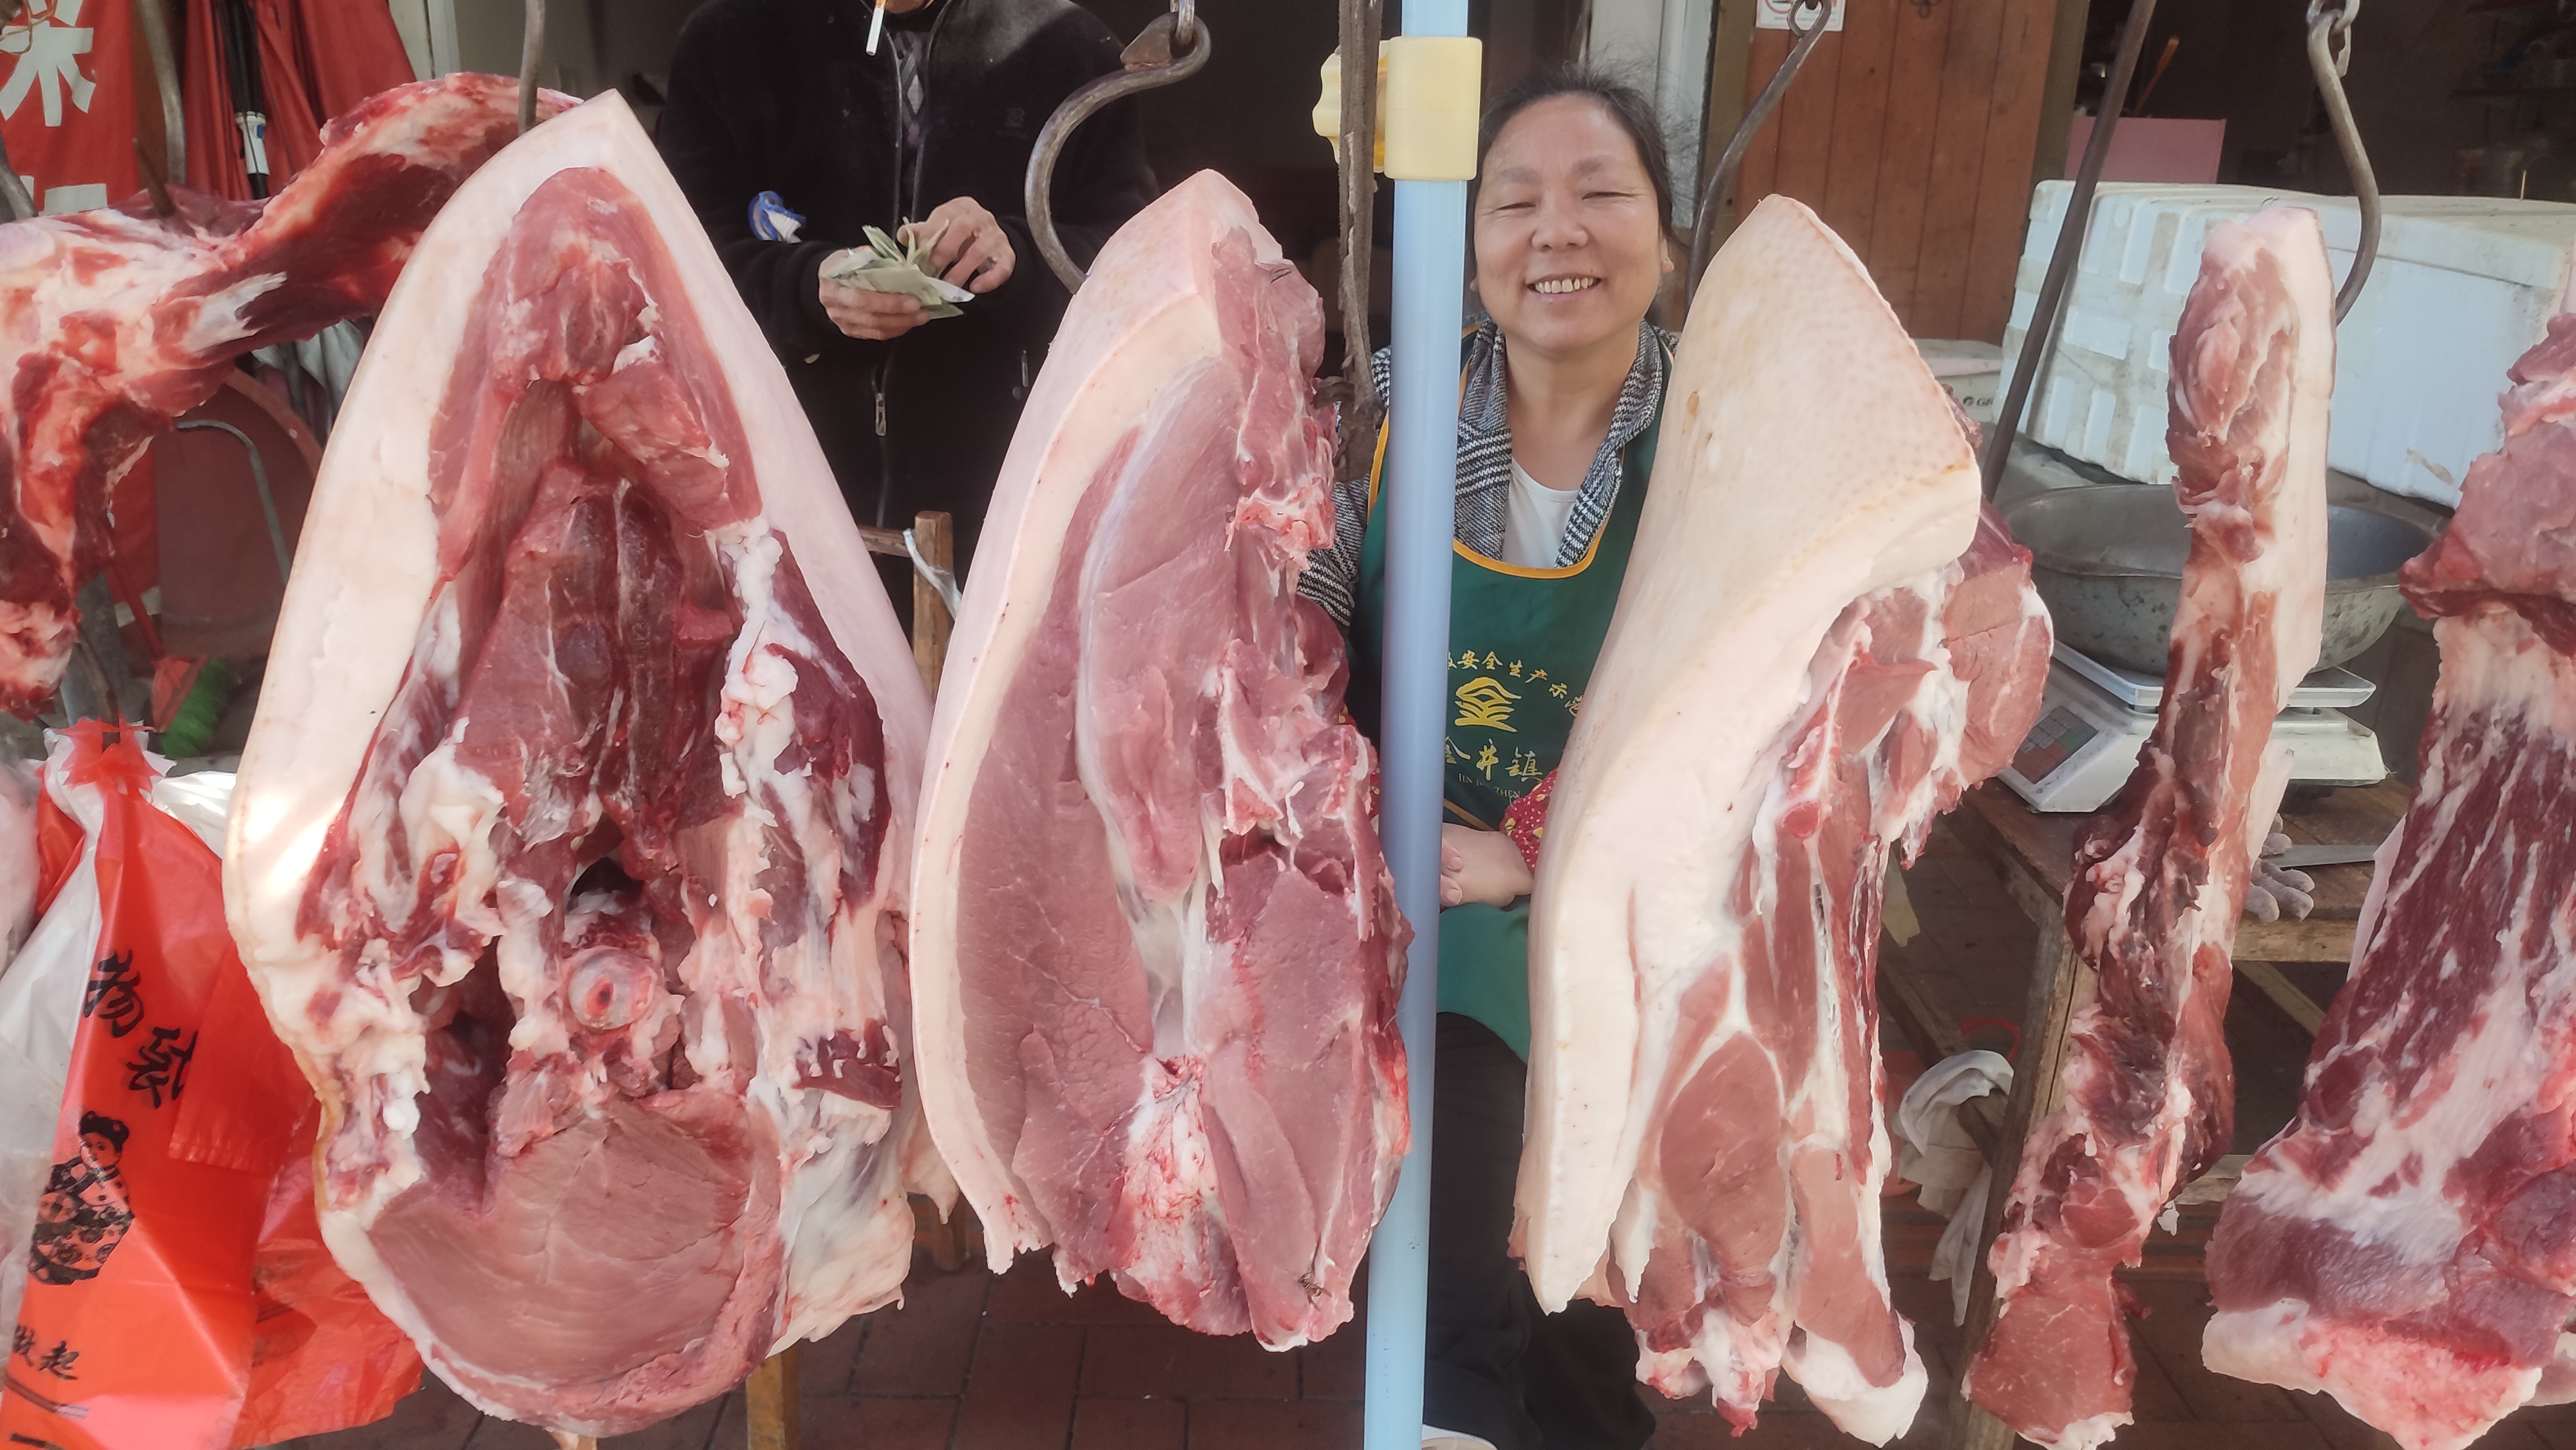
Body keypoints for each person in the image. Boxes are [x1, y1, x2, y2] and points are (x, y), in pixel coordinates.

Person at [1300, 69, 1676, 1450]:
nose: (1555, 230)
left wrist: (1539, 852)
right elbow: (1299, 614)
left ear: (1665, 235)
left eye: (1600, 193)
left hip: (1637, 884)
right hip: (1414, 883)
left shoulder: (1714, 436)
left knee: (1585, 1312)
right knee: (1451, 1264)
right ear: (1470, 245)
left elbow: (1763, 720)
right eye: (1514, 201)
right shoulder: (1386, 407)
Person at [656, 0, 1160, 614]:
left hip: (1006, 516)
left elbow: (1133, 269)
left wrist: (1019, 256)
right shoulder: (729, 42)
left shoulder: (1071, 49)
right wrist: (805, 288)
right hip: (780, 513)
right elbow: (671, 261)